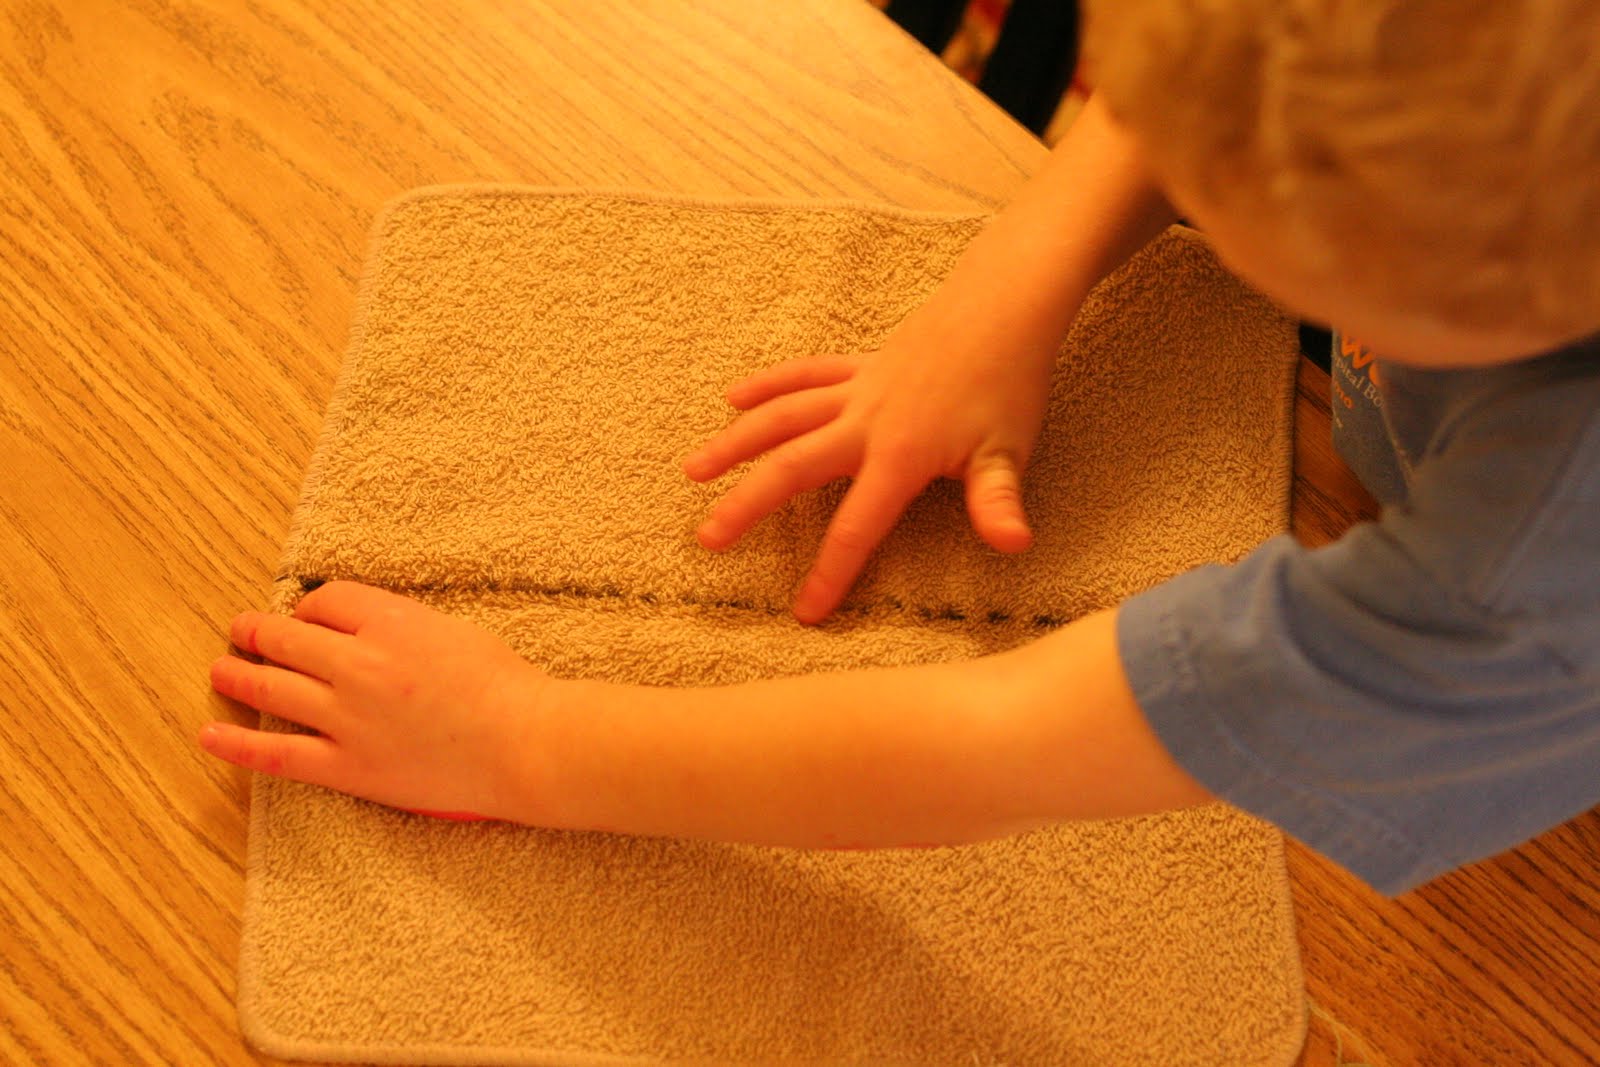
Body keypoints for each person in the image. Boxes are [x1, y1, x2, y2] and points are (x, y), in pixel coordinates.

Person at [198, 0, 1599, 895]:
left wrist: (522, 742)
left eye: (1280, 243)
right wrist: (1011, 288)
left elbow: (995, 746)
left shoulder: (1527, 585)